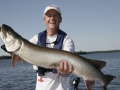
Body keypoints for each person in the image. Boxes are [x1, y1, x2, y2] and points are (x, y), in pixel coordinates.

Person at [29, 5, 75, 90]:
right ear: (44, 20)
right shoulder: (35, 39)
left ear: (60, 19)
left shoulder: (67, 40)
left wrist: (66, 67)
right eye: (49, 16)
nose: (52, 18)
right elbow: (19, 52)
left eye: (55, 15)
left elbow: (68, 62)